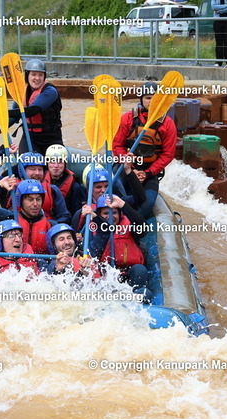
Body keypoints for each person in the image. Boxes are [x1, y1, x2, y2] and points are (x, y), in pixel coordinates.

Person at [113, 82, 176, 219]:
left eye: (155, 98)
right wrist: (130, 168)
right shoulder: (128, 118)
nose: (151, 101)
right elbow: (117, 146)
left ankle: (132, 225)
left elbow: (168, 154)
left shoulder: (168, 124)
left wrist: (147, 173)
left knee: (148, 203)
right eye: (148, 98)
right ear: (141, 100)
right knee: (115, 189)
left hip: (149, 172)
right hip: (125, 167)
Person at [82, 194, 153, 303]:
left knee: (140, 273)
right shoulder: (94, 231)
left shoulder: (129, 227)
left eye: (114, 212)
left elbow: (143, 228)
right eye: (106, 213)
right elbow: (102, 237)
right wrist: (97, 219)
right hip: (105, 279)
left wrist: (123, 205)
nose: (110, 216)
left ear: (120, 214)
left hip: (128, 277)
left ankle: (134, 303)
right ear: (99, 215)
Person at [0, 150, 70, 223]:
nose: (37, 173)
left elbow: (65, 217)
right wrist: (2, 151)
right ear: (22, 171)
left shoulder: (52, 190)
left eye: (40, 169)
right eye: (32, 169)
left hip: (43, 232)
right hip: (16, 234)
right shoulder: (9, 187)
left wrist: (47, 225)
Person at [0, 178, 54, 254]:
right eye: (30, 199)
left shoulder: (50, 225)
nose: (35, 204)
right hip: (11, 263)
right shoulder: (9, 218)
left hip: (39, 263)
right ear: (20, 201)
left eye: (38, 199)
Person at [8, 59, 62, 155]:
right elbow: (14, 115)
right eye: (33, 74)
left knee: (55, 163)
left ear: (44, 76)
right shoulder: (21, 91)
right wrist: (0, 129)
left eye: (40, 75)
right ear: (27, 75)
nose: (37, 78)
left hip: (51, 139)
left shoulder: (50, 91)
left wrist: (4, 112)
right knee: (26, 161)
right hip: (29, 138)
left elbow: (33, 110)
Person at [43, 144, 85, 215]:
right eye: (52, 161)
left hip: (65, 218)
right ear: (47, 163)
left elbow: (75, 212)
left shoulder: (74, 186)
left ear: (65, 164)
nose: (56, 166)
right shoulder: (41, 179)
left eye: (60, 162)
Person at [211, 0, 227, 67]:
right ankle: (218, 61)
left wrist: (219, 11)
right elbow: (213, 7)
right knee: (218, 42)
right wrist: (226, 6)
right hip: (217, 21)